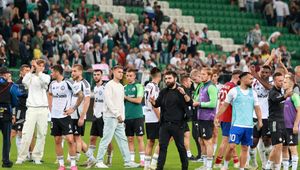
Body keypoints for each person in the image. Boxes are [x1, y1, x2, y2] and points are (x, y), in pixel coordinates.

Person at [215, 72, 263, 170]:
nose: (252, 81)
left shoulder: (253, 93)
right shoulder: (234, 91)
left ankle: (241, 168)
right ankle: (225, 166)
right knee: (232, 146)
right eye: (250, 79)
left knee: (245, 148)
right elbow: (224, 105)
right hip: (236, 125)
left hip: (249, 126)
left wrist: (260, 120)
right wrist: (216, 117)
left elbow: (257, 107)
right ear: (243, 79)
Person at [95, 65, 139, 168]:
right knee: (106, 139)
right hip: (110, 117)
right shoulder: (109, 85)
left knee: (123, 140)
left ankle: (128, 161)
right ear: (113, 72)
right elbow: (109, 102)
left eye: (122, 72)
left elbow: (121, 104)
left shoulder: (120, 86)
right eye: (119, 71)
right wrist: (117, 114)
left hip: (119, 118)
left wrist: (122, 117)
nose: (121, 74)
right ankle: (99, 161)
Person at [149, 71, 190, 170]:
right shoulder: (163, 91)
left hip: (178, 125)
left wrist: (184, 94)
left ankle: (184, 168)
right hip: (164, 125)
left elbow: (189, 102)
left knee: (181, 148)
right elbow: (157, 104)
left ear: (175, 79)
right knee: (162, 148)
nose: (167, 80)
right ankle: (159, 168)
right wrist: (153, 102)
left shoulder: (181, 90)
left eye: (169, 78)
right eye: (166, 79)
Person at [48, 64, 84, 170]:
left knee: (69, 139)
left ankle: (73, 164)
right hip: (54, 117)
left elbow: (81, 95)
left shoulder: (68, 82)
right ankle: (61, 165)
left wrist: (73, 108)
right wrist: (50, 108)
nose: (51, 74)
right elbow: (50, 94)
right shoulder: (52, 84)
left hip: (65, 116)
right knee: (57, 140)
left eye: (52, 72)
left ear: (57, 72)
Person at [16, 59, 51, 165]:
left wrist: (38, 70)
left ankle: (37, 157)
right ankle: (21, 157)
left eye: (41, 66)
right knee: (26, 133)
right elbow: (24, 81)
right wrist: (32, 69)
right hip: (31, 108)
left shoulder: (46, 76)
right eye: (38, 65)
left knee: (42, 134)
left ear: (44, 68)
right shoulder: (30, 77)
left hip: (43, 109)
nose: (40, 67)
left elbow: (45, 82)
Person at [83, 69, 113, 168]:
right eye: (94, 75)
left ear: (102, 75)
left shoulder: (106, 87)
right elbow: (96, 100)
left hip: (103, 116)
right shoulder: (95, 87)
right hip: (96, 116)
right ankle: (90, 159)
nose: (96, 76)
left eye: (98, 75)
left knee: (106, 140)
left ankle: (109, 158)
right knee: (92, 138)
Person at [214, 70, 242, 168]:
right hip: (229, 116)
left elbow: (219, 100)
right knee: (226, 140)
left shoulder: (224, 86)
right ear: (238, 77)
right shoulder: (234, 87)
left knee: (231, 140)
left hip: (223, 116)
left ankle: (235, 160)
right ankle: (218, 162)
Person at [265, 72, 293, 170]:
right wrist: (286, 95)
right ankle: (268, 167)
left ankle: (284, 168)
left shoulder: (281, 91)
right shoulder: (272, 92)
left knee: (285, 146)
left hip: (283, 121)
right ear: (274, 81)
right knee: (277, 146)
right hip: (275, 121)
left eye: (282, 81)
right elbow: (277, 99)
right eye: (279, 81)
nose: (281, 83)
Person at [248, 65, 273, 169]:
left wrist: (256, 76)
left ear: (270, 74)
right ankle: (253, 162)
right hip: (254, 115)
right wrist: (254, 75)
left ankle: (267, 164)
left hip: (267, 116)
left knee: (267, 140)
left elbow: (269, 88)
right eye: (263, 72)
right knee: (253, 142)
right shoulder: (254, 81)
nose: (264, 74)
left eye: (267, 72)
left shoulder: (272, 82)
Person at [0, 67, 25, 168]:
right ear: (5, 75)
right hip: (6, 113)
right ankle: (5, 161)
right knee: (6, 139)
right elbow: (19, 94)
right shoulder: (10, 85)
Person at [194, 68, 218, 170]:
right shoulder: (202, 86)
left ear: (209, 76)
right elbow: (198, 99)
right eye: (201, 74)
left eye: (204, 74)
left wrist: (199, 103)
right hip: (201, 118)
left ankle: (208, 167)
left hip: (207, 118)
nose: (201, 76)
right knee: (201, 141)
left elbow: (213, 103)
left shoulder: (211, 87)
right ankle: (204, 165)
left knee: (208, 141)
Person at [124, 68, 145, 166]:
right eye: (127, 76)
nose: (128, 77)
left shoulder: (139, 86)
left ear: (134, 76)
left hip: (138, 116)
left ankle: (142, 160)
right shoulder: (123, 87)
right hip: (127, 117)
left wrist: (126, 97)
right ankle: (131, 161)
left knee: (140, 139)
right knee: (130, 139)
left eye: (130, 75)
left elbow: (139, 100)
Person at [69, 64, 91, 161]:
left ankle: (75, 159)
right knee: (74, 138)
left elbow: (87, 100)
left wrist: (82, 117)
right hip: (72, 115)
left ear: (80, 72)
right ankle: (91, 158)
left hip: (79, 115)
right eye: (72, 71)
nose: (72, 73)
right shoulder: (73, 83)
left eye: (74, 71)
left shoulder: (85, 84)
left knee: (77, 138)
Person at [10, 65, 31, 157]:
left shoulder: (31, 83)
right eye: (26, 70)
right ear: (21, 72)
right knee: (15, 132)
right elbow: (13, 99)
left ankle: (28, 154)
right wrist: (13, 113)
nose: (28, 72)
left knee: (25, 133)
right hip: (19, 110)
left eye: (29, 70)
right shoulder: (18, 84)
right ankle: (10, 153)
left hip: (29, 110)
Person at [144, 67, 161, 170]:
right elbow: (154, 103)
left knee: (150, 141)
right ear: (159, 76)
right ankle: (153, 163)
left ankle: (146, 166)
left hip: (148, 117)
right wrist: (160, 117)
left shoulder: (147, 86)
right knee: (162, 140)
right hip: (155, 117)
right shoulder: (154, 87)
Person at [282, 74, 300, 170]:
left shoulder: (295, 96)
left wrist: (296, 125)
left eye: (285, 82)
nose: (283, 84)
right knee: (284, 148)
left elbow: (299, 111)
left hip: (291, 127)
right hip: (283, 127)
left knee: (293, 148)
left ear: (291, 83)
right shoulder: (285, 96)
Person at [180, 74, 197, 160]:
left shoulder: (186, 89)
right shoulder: (182, 90)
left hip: (183, 119)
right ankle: (159, 152)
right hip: (179, 119)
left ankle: (188, 155)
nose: (191, 83)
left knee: (187, 134)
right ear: (185, 81)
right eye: (190, 81)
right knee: (170, 138)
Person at [190, 69, 203, 161]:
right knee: (196, 135)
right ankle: (200, 155)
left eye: (195, 79)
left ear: (199, 76)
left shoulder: (202, 86)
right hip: (196, 114)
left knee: (199, 136)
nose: (194, 81)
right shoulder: (198, 86)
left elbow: (199, 100)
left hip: (199, 114)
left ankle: (202, 155)